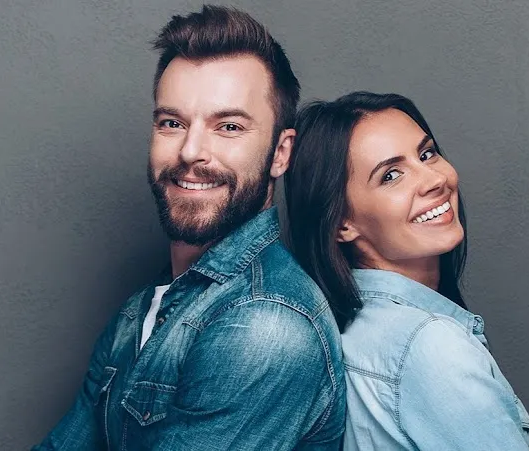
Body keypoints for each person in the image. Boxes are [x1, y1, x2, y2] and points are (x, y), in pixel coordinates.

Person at [32, 6, 345, 450]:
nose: (190, 151)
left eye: (228, 126)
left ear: (280, 153)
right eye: (172, 123)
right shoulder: (145, 308)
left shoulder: (266, 326)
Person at [284, 91, 529, 450]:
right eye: (391, 175)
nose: (433, 179)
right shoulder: (430, 346)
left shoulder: (358, 333)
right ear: (342, 222)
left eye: (426, 154)